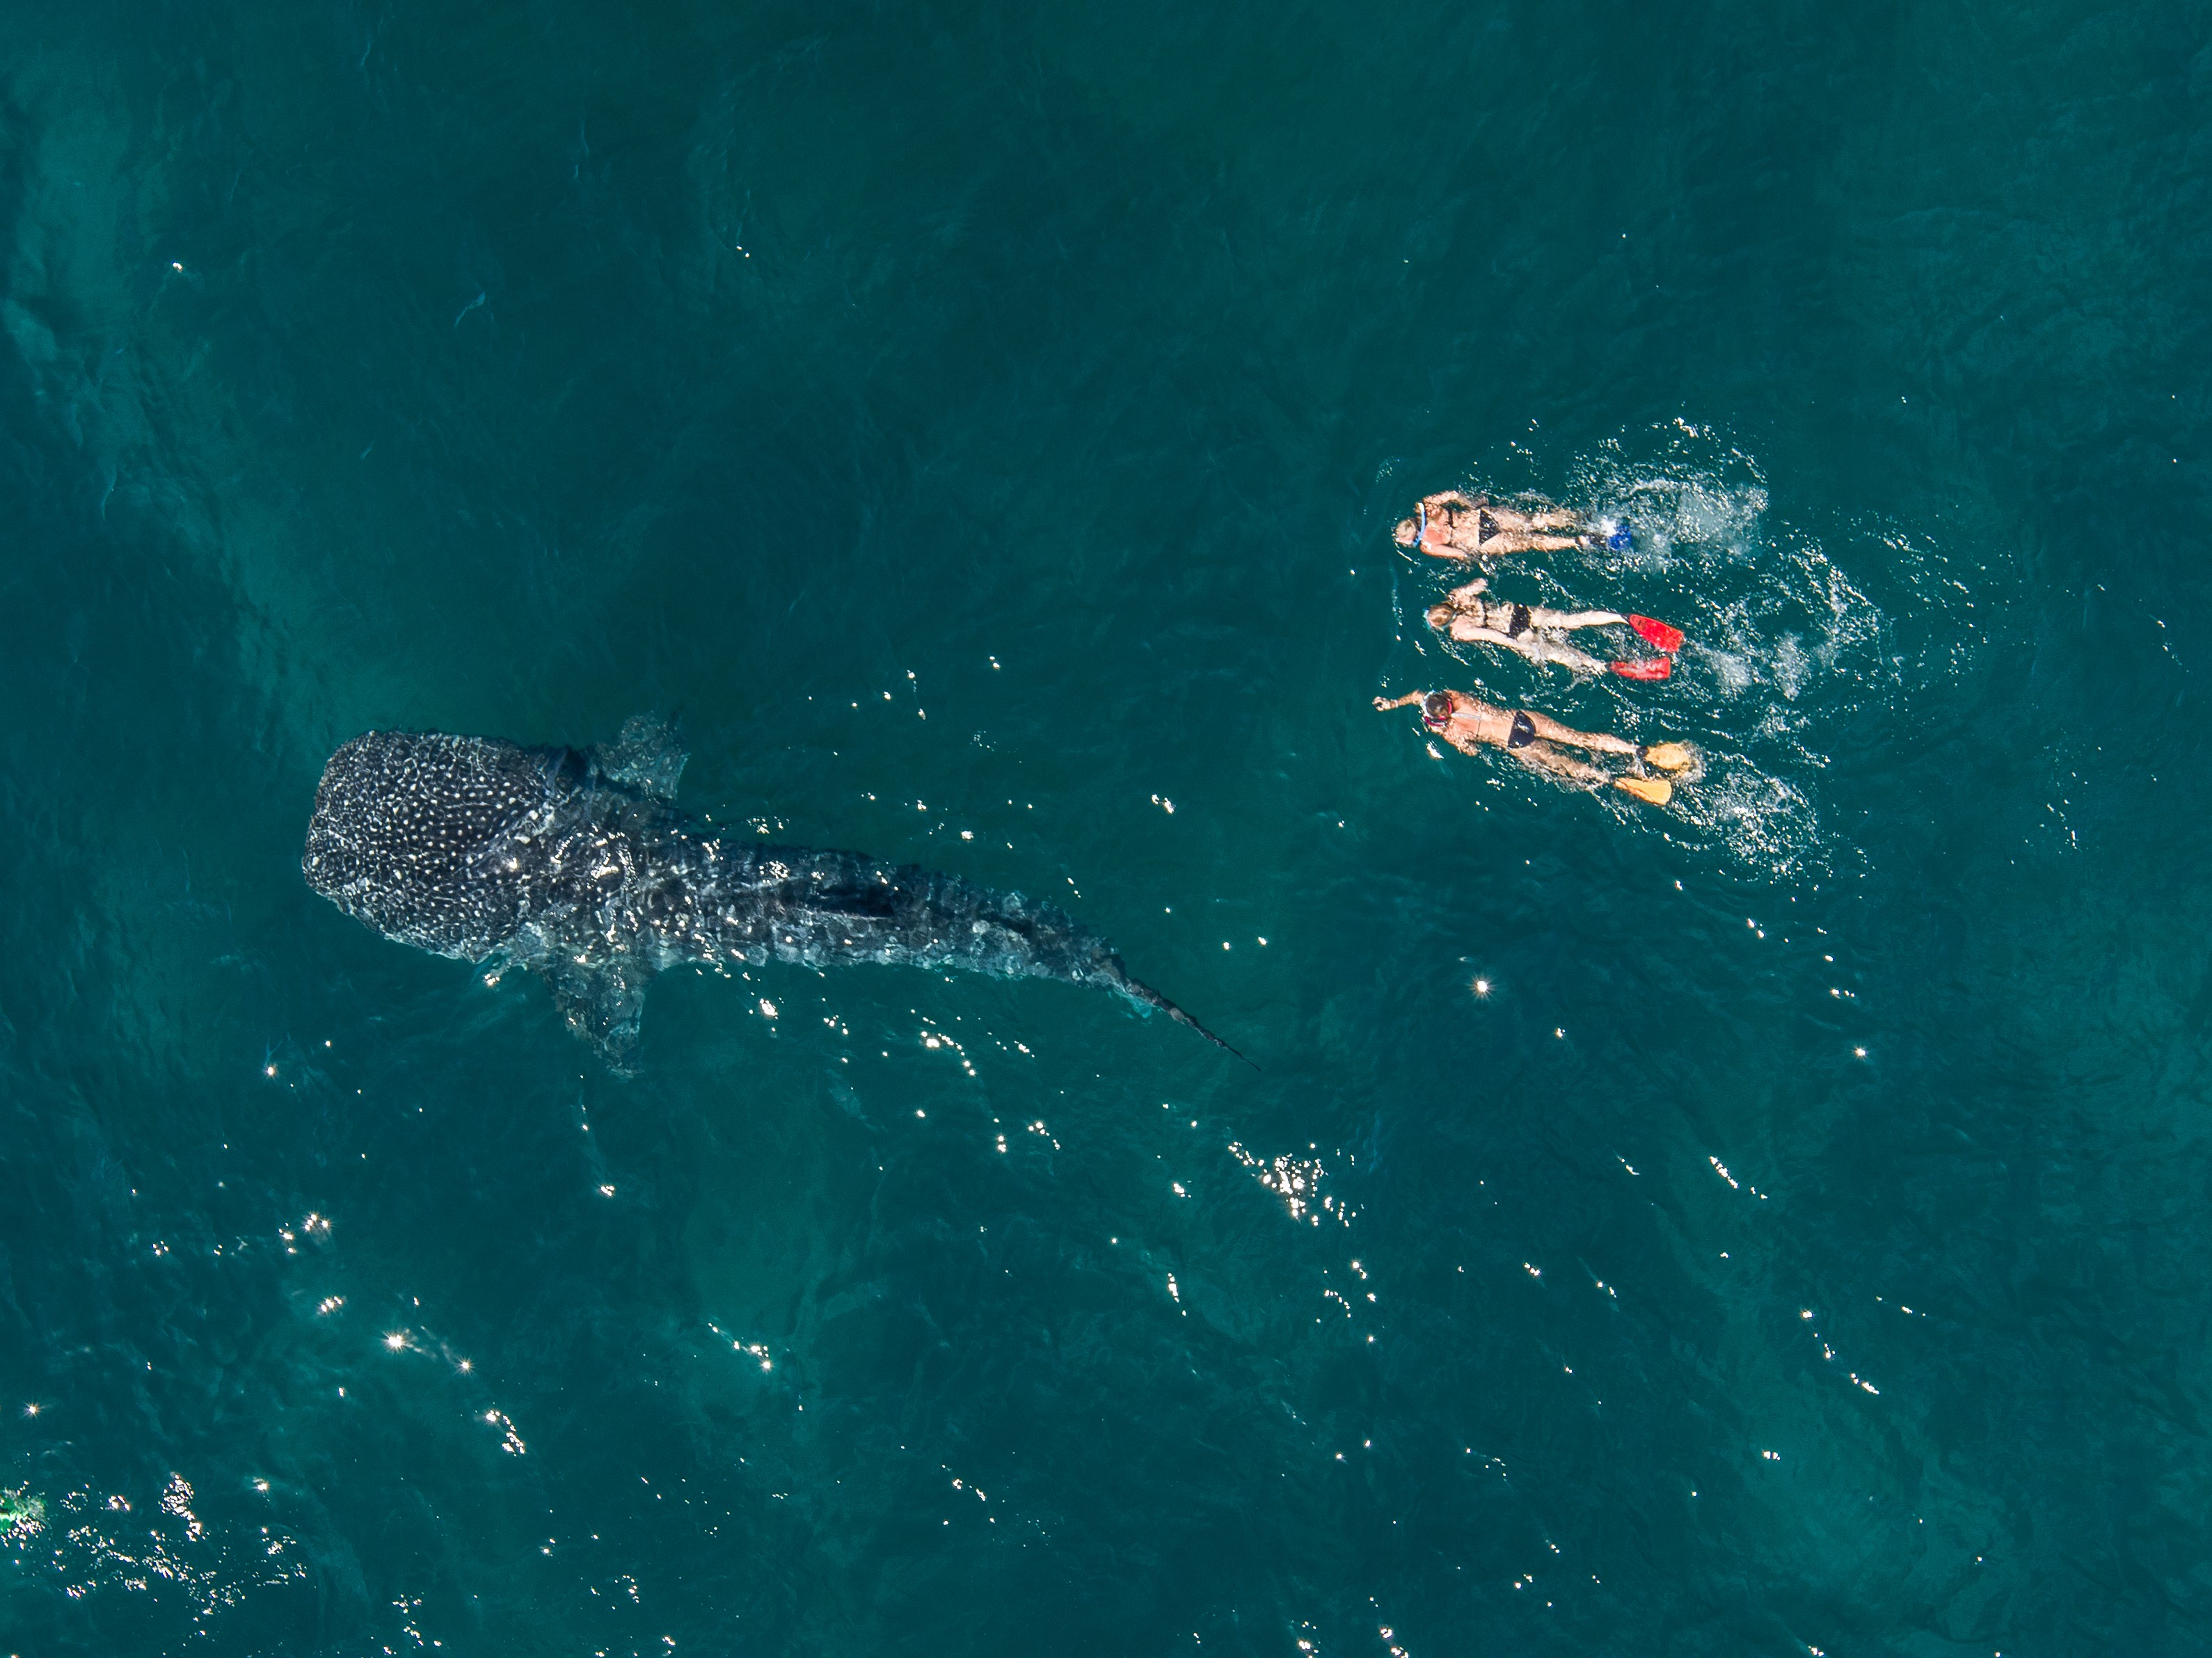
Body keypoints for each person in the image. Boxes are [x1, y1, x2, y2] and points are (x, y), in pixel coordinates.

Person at [1373, 687, 1694, 805]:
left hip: (1514, 742)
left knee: (1574, 769)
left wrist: (1451, 737)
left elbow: (1470, 751)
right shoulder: (1454, 695)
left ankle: (1615, 779)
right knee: (1582, 738)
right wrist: (1395, 702)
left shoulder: (1451, 731)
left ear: (1438, 719)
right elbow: (1420, 695)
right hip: (1523, 720)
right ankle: (1639, 751)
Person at [1426, 578, 1682, 679]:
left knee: (1569, 658)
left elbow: (1493, 636)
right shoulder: (1457, 595)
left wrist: (1523, 647)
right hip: (1518, 611)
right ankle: (1623, 618)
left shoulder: (1459, 631)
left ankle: (1607, 666)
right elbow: (1482, 582)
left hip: (1516, 634)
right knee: (1573, 620)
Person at [1392, 490, 1597, 560]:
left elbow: (1462, 555)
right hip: (1480, 517)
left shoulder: (1427, 546)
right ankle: (1583, 517)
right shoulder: (1427, 505)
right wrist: (1472, 504)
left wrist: (1470, 561)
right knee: (1535, 520)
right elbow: (1454, 495)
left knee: (1534, 541)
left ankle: (1579, 541)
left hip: (1482, 541)